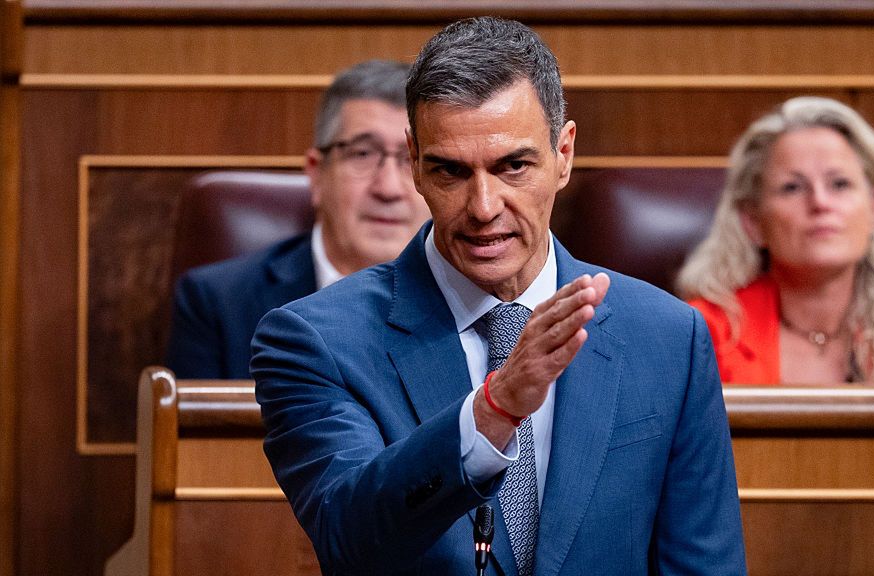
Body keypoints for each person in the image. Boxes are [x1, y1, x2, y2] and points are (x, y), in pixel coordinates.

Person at [252, 16, 745, 576]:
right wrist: (492, 411)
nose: (484, 206)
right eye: (451, 171)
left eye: (514, 166)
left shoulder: (667, 337)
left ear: (563, 154)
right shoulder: (315, 341)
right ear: (415, 163)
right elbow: (349, 540)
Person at [677, 96, 874, 385]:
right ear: (753, 222)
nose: (820, 202)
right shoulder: (707, 333)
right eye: (792, 187)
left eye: (839, 184)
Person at [166, 60, 431, 379]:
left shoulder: (474, 295)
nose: (388, 188)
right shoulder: (217, 304)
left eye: (410, 159)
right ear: (317, 174)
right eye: (362, 154)